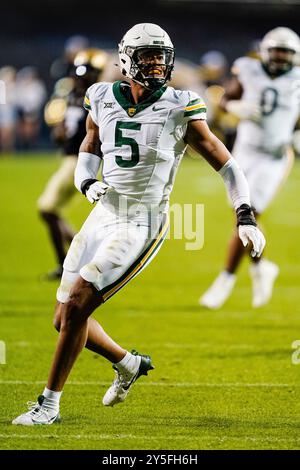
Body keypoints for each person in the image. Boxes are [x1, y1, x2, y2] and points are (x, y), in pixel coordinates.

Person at [13, 23, 265, 425]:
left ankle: (48, 405)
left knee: (77, 305)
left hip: (142, 222)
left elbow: (225, 161)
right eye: (147, 55)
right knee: (62, 319)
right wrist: (85, 181)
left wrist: (244, 214)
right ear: (127, 58)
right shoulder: (100, 96)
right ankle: (128, 363)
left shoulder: (180, 105)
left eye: (160, 57)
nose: (156, 64)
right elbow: (90, 144)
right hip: (104, 215)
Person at [200, 27, 300, 310]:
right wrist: (236, 106)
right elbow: (225, 99)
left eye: (286, 51)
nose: (280, 56)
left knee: (249, 213)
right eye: (276, 50)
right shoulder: (248, 69)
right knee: (244, 216)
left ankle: (226, 279)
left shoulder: (298, 80)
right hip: (244, 152)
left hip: (274, 156)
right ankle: (261, 268)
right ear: (265, 50)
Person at [38, 49, 108, 280]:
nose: (81, 77)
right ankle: (78, 256)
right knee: (50, 210)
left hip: (80, 162)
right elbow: (65, 130)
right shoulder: (73, 95)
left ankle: (69, 260)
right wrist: (60, 133)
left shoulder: (100, 98)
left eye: (86, 73)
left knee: (47, 209)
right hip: (69, 158)